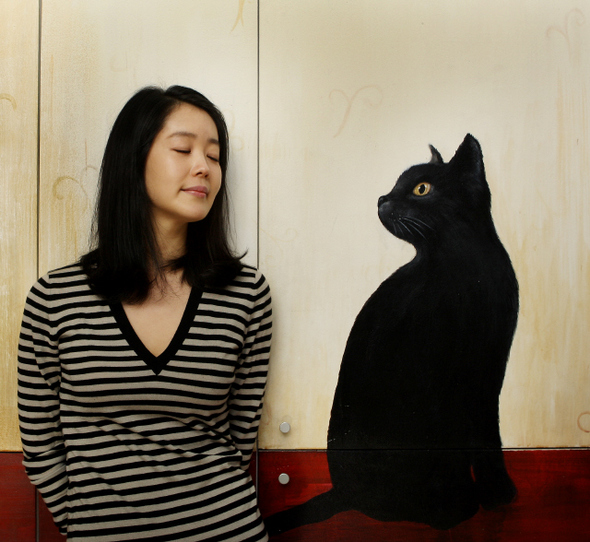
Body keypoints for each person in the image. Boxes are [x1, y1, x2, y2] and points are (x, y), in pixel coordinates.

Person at [17, 85, 272, 541]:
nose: (204, 167)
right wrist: (81, 523)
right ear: (133, 160)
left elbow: (240, 433)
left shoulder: (246, 294)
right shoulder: (55, 299)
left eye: (214, 156)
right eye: (183, 149)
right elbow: (40, 443)